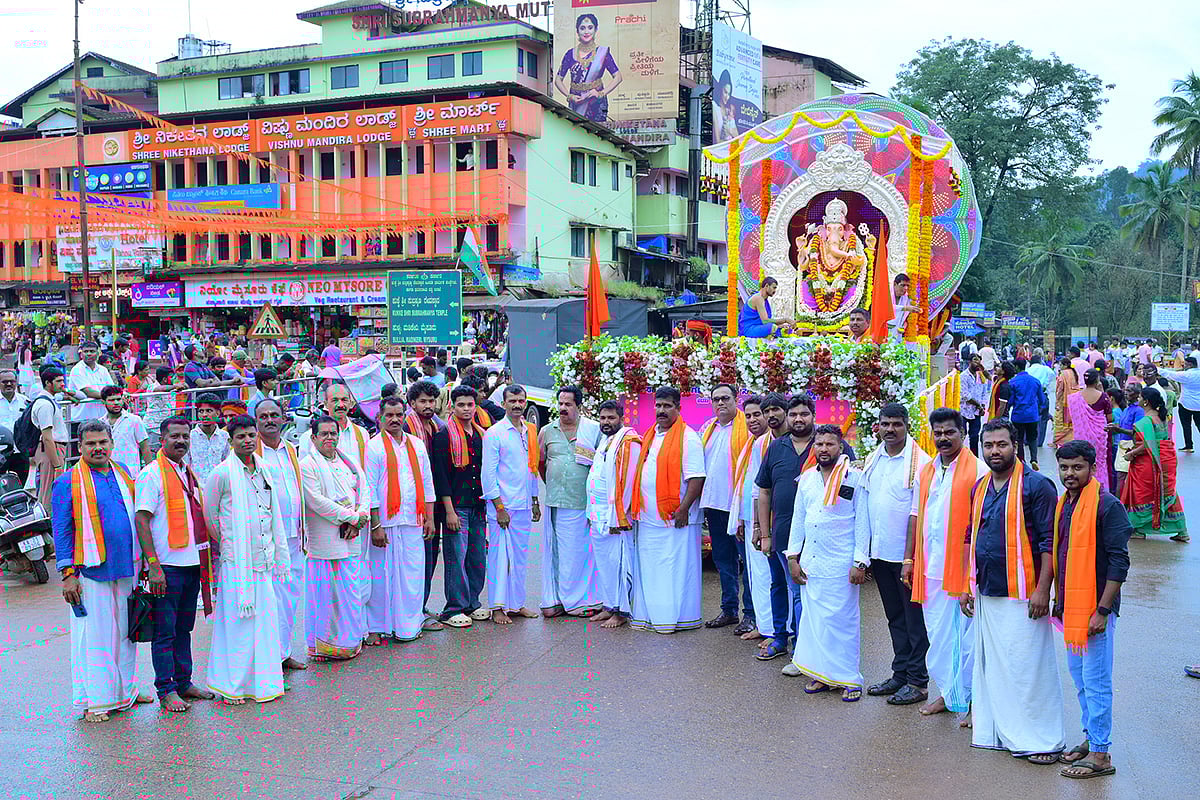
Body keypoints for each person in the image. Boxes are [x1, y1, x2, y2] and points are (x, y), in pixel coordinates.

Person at [960, 420, 1064, 762]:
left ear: (1015, 446)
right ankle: (1002, 731)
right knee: (995, 666)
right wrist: (966, 584)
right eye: (988, 445)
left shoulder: (1037, 486)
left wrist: (1042, 590)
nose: (994, 451)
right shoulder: (980, 487)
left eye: (1001, 444)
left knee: (1028, 668)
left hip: (1024, 592)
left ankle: (1042, 739)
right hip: (988, 589)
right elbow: (969, 539)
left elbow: (1051, 542)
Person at [52, 420, 153, 722]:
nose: (97, 448)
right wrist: (68, 574)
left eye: (102, 442)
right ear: (79, 447)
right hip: (90, 569)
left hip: (128, 565)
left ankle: (126, 692)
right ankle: (96, 700)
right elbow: (62, 529)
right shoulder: (68, 481)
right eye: (90, 444)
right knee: (95, 636)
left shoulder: (122, 472)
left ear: (111, 443)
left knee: (126, 632)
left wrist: (147, 560)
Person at [1052, 440, 1132, 780]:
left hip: (1096, 608)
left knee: (1096, 681)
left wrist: (1101, 609)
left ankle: (1101, 755)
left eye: (1077, 467)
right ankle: (1091, 738)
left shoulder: (1106, 505)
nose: (1070, 474)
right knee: (1081, 679)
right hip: (1072, 606)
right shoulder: (1065, 504)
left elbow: (1119, 562)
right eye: (1065, 468)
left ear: (1092, 468)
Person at [754, 394, 855, 659]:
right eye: (794, 414)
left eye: (804, 414)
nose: (799, 419)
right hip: (782, 532)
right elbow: (764, 492)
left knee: (802, 593)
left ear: (813, 415)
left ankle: (804, 648)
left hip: (818, 541)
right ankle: (779, 638)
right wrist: (763, 533)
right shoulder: (777, 447)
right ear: (788, 417)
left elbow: (853, 487)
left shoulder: (827, 445)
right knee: (778, 585)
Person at [902, 407, 987, 719]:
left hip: (961, 571)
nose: (943, 438)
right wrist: (909, 558)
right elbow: (916, 514)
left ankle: (969, 701)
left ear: (963, 434)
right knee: (937, 636)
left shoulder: (977, 470)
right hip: (929, 567)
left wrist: (972, 574)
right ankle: (947, 694)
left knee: (964, 642)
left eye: (950, 432)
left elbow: (980, 524)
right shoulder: (926, 470)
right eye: (937, 433)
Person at [202, 414, 291, 704]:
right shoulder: (222, 473)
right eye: (241, 436)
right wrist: (230, 544)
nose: (248, 440)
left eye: (251, 435)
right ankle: (232, 687)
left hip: (263, 559)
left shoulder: (263, 468)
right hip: (237, 562)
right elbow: (211, 516)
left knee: (265, 624)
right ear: (231, 440)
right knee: (238, 625)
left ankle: (263, 683)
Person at [779, 425, 869, 702]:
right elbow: (799, 520)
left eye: (830, 444)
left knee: (842, 623)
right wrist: (793, 557)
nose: (824, 449)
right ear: (813, 448)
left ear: (840, 448)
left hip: (842, 564)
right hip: (811, 563)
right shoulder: (806, 479)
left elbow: (863, 522)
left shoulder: (854, 478)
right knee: (815, 623)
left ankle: (849, 679)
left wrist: (860, 562)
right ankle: (820, 675)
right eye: (819, 444)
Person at [134, 416, 215, 713]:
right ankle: (165, 688)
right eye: (175, 437)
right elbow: (142, 519)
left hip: (192, 564)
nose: (180, 441)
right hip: (166, 567)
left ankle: (184, 681)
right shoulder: (152, 474)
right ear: (162, 439)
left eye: (185, 437)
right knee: (165, 631)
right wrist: (153, 566)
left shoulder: (187, 472)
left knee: (184, 628)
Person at [861, 404, 931, 706]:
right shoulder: (873, 460)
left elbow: (919, 514)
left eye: (896, 424)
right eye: (884, 424)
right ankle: (900, 674)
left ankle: (918, 681)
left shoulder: (920, 464)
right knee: (895, 618)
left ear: (907, 427)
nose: (890, 429)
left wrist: (910, 558)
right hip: (880, 554)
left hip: (907, 558)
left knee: (915, 620)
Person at [629, 386, 705, 634]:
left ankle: (675, 619)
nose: (661, 410)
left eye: (667, 406)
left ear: (678, 408)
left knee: (674, 569)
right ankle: (651, 616)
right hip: (650, 518)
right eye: (658, 405)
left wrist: (684, 509)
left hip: (676, 519)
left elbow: (696, 478)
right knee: (652, 568)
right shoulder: (650, 435)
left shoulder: (688, 438)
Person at [365, 396, 436, 644]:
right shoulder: (373, 447)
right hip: (385, 522)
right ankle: (379, 626)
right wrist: (375, 525)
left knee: (412, 574)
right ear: (380, 418)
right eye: (389, 415)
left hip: (413, 519)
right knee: (381, 576)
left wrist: (430, 517)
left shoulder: (416, 444)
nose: (395, 419)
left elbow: (427, 483)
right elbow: (370, 489)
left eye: (399, 415)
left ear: (405, 416)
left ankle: (409, 625)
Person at [300, 414, 370, 661]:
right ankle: (324, 645)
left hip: (350, 537)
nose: (330, 438)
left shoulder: (347, 461)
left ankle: (349, 641)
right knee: (325, 595)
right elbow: (315, 501)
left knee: (350, 591)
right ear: (314, 437)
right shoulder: (307, 464)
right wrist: (351, 518)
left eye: (334, 433)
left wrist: (360, 517)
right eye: (324, 434)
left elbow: (364, 488)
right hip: (325, 539)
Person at [430, 386, 491, 628]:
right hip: (456, 507)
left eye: (470, 405)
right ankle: (453, 607)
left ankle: (472, 603)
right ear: (451, 407)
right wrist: (449, 511)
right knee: (456, 557)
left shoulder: (480, 434)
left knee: (477, 557)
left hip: (477, 505)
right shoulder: (444, 435)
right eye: (461, 405)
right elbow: (441, 476)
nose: (466, 409)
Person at [539, 386, 603, 618]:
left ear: (579, 406)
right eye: (561, 404)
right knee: (560, 552)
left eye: (568, 404)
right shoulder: (547, 431)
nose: (563, 408)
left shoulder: (592, 430)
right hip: (557, 501)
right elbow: (540, 462)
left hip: (583, 501)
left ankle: (579, 600)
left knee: (579, 553)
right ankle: (559, 598)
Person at [254, 399, 308, 671]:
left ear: (283, 417)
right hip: (267, 538)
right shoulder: (250, 451)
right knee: (269, 598)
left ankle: (284, 651)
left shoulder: (290, 449)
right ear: (256, 420)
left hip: (295, 536)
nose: (269, 420)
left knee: (289, 597)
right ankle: (268, 657)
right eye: (263, 416)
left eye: (274, 415)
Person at [482, 385, 542, 624]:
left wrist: (535, 500)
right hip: (502, 507)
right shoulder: (495, 433)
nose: (517, 405)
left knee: (519, 557)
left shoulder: (529, 430)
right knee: (498, 557)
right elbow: (488, 475)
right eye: (513, 401)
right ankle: (497, 607)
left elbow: (532, 468)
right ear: (504, 403)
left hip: (523, 505)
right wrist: (499, 507)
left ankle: (516, 605)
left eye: (521, 401)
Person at [730, 393, 785, 650]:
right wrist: (751, 523)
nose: (755, 419)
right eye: (749, 415)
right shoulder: (757, 445)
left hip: (782, 521)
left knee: (781, 580)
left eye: (758, 414)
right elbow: (754, 488)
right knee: (760, 577)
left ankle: (781, 631)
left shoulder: (788, 442)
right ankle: (767, 628)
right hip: (760, 520)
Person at [699, 383, 753, 630]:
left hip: (737, 507)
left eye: (725, 398)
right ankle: (729, 610)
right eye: (715, 399)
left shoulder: (747, 430)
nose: (720, 403)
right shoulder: (708, 429)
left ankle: (750, 614)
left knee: (746, 562)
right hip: (714, 506)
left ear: (736, 399)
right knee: (723, 561)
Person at [586, 399, 641, 629]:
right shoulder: (607, 440)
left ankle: (622, 611)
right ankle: (609, 605)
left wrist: (618, 516)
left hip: (616, 517)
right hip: (598, 515)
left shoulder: (628, 442)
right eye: (603, 418)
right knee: (605, 564)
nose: (606, 422)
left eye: (611, 418)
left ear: (621, 418)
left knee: (619, 563)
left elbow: (627, 483)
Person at [402, 380, 447, 632]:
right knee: (417, 558)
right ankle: (413, 609)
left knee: (430, 555)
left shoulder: (436, 426)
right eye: (423, 401)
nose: (428, 406)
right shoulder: (408, 426)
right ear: (412, 404)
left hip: (432, 499)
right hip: (413, 503)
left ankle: (421, 604)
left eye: (431, 401)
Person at [1121, 386, 1187, 541]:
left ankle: (1139, 529)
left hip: (1150, 462)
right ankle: (1181, 530)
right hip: (1166, 459)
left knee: (1143, 494)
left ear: (1146, 402)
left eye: (1140, 398)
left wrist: (1131, 453)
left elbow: (1147, 445)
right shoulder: (1162, 416)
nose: (1138, 399)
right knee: (1166, 493)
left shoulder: (1146, 421)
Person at [553, 12, 623, 122]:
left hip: (596, 103)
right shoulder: (570, 54)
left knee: (597, 135)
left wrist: (601, 93)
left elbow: (618, 77)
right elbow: (558, 80)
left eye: (590, 27)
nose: (586, 32)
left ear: (595, 30)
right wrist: (569, 96)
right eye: (582, 28)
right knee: (577, 134)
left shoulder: (603, 53)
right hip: (576, 103)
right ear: (577, 31)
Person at [1065, 369, 1112, 492]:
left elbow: (1070, 418)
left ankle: (1081, 486)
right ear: (1097, 380)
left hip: (1082, 437)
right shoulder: (1103, 397)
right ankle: (1099, 488)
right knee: (1099, 462)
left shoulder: (1075, 398)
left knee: (1082, 460)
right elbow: (1110, 418)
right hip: (1099, 438)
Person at [32, 366, 69, 512]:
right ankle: (46, 526)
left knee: (51, 490)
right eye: (59, 381)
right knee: (47, 493)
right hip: (50, 450)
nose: (62, 384)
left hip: (54, 449)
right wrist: (57, 465)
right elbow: (47, 438)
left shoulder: (49, 400)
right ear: (48, 383)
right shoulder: (44, 404)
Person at [1006, 358, 1046, 469]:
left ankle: (1021, 461)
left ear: (1017, 367)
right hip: (1032, 415)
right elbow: (1042, 400)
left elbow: (1011, 401)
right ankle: (1034, 459)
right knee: (1032, 438)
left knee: (1019, 439)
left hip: (1018, 415)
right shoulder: (1035, 381)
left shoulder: (1013, 382)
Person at [101, 386, 151, 471]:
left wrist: (150, 472)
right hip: (108, 473)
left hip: (131, 473)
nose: (116, 403)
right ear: (103, 402)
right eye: (111, 400)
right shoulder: (100, 423)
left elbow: (145, 448)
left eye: (118, 399)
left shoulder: (134, 420)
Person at [1157, 356, 1200, 453]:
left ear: (1190, 364)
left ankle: (1189, 446)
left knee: (1186, 425)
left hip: (1185, 404)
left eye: (1185, 364)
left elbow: (1169, 374)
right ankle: (1188, 446)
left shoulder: (1186, 375)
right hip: (1198, 405)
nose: (1183, 365)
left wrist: (1156, 368)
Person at [67, 341, 113, 422]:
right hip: (82, 418)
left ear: (98, 353)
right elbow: (87, 391)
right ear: (81, 354)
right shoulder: (77, 370)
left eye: (92, 351)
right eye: (86, 351)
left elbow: (111, 388)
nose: (89, 354)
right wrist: (106, 397)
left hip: (102, 417)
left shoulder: (103, 370)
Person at [187, 393, 230, 478]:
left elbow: (227, 463)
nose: (204, 415)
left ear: (217, 413)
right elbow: (186, 465)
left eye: (209, 411)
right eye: (201, 411)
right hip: (198, 487)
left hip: (219, 485)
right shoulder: (190, 437)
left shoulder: (224, 436)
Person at [960, 354, 990, 453]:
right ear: (969, 362)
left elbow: (984, 392)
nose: (977, 363)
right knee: (961, 435)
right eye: (975, 360)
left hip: (977, 411)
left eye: (979, 361)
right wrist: (978, 404)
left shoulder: (981, 376)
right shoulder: (963, 376)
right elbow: (965, 395)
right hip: (964, 410)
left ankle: (974, 458)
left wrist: (983, 406)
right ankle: (958, 457)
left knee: (974, 436)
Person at [1027, 350, 1056, 447]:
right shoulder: (1046, 369)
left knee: (1030, 417)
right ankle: (1039, 441)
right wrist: (1046, 382)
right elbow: (1052, 375)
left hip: (1030, 396)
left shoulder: (1028, 370)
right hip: (1042, 394)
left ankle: (1029, 439)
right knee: (1043, 419)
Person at [1054, 355, 1079, 447]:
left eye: (1060, 364)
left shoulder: (1063, 374)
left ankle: (1059, 441)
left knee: (1061, 422)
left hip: (1064, 401)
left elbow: (1059, 389)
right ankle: (1071, 439)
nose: (1060, 366)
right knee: (1072, 422)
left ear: (1064, 365)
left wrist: (1057, 401)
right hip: (1074, 401)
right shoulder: (1073, 372)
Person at [888, 274, 914, 341]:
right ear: (895, 284)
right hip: (883, 330)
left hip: (897, 332)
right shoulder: (886, 293)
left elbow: (904, 316)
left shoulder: (906, 298)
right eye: (903, 285)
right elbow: (885, 307)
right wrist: (905, 308)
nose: (906, 288)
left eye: (907, 286)